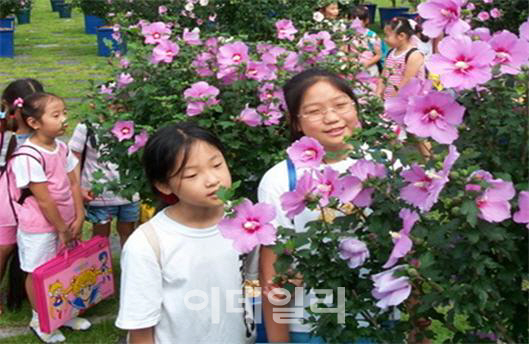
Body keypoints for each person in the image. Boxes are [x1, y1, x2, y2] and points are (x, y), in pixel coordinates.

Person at [116, 122, 257, 344]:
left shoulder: (245, 218)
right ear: (164, 185)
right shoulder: (147, 244)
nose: (212, 180)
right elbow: (140, 328)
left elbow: (255, 281)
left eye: (217, 164)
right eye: (192, 175)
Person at [258, 68, 366, 343]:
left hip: (377, 321)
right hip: (307, 327)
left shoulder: (387, 165)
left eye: (341, 105)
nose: (332, 118)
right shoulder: (280, 180)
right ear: (297, 123)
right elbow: (273, 277)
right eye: (315, 111)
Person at [10, 92, 90, 343]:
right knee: (38, 272)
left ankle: (62, 313)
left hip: (65, 222)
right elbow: (44, 199)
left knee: (62, 268)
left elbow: (74, 182)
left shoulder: (61, 147)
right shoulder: (28, 156)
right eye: (56, 115)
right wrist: (61, 229)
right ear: (34, 123)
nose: (64, 119)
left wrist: (79, 215)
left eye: (64, 112)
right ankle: (41, 319)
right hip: (40, 228)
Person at [0, 78, 44, 316]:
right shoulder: (5, 135)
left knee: (31, 248)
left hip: (32, 201)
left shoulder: (45, 137)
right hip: (6, 201)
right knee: (5, 247)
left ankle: (28, 293)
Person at [68, 119, 140, 248]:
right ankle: (101, 267)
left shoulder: (135, 121)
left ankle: (128, 265)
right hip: (99, 194)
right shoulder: (86, 126)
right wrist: (78, 186)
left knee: (128, 232)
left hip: (130, 192)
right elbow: (74, 157)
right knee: (100, 236)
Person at [376, 17, 426, 100]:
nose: (385, 39)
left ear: (401, 36)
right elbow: (384, 75)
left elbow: (407, 81)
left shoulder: (414, 55)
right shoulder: (390, 52)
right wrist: (378, 92)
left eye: (387, 36)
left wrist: (392, 98)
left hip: (406, 101)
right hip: (388, 99)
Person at [349, 5, 382, 76]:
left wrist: (366, 64)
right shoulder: (348, 35)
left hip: (370, 70)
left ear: (366, 21)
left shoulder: (372, 35)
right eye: (353, 20)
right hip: (352, 69)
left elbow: (378, 55)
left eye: (358, 20)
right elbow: (345, 51)